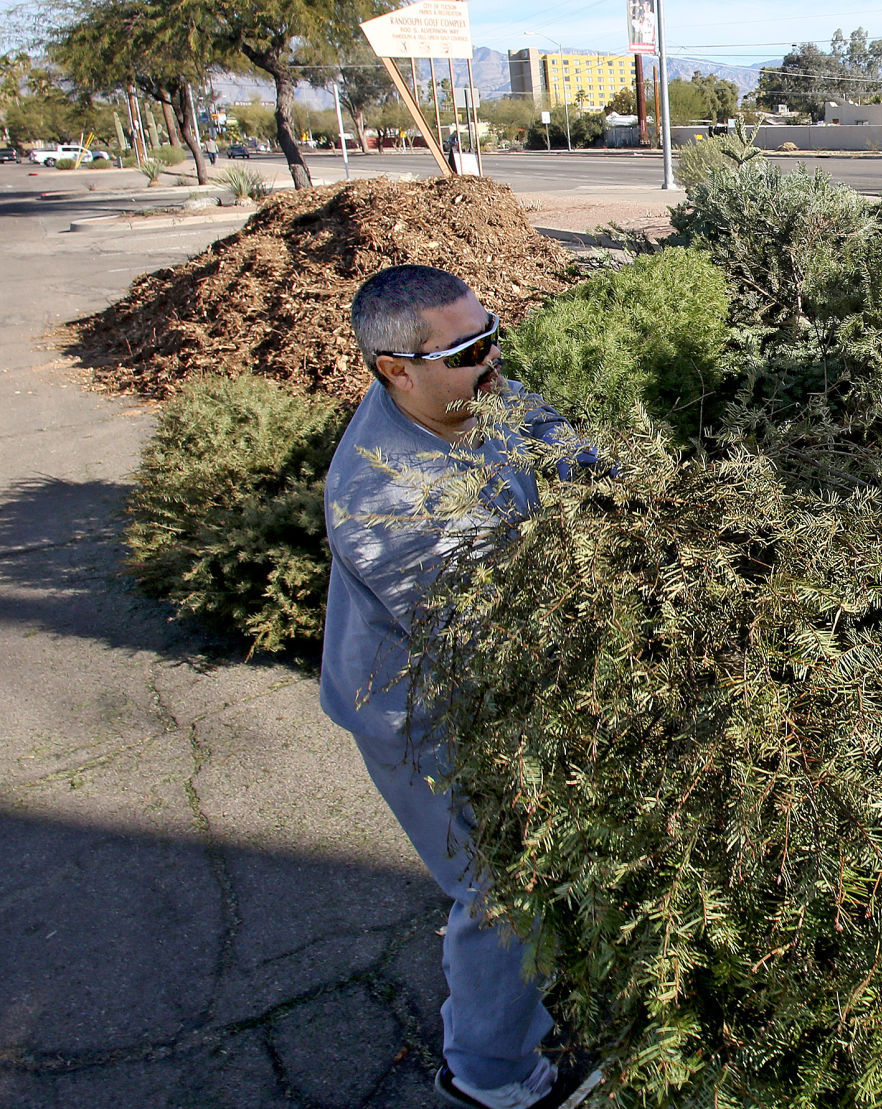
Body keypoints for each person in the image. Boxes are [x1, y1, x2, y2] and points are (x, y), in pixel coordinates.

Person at [324, 265, 602, 1109]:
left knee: (538, 858)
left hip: (498, 682)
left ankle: (541, 990)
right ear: (394, 369)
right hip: (424, 715)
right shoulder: (382, 496)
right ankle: (490, 1073)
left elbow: (562, 446)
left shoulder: (472, 391)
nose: (492, 361)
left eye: (492, 336)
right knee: (500, 887)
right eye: (467, 351)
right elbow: (492, 637)